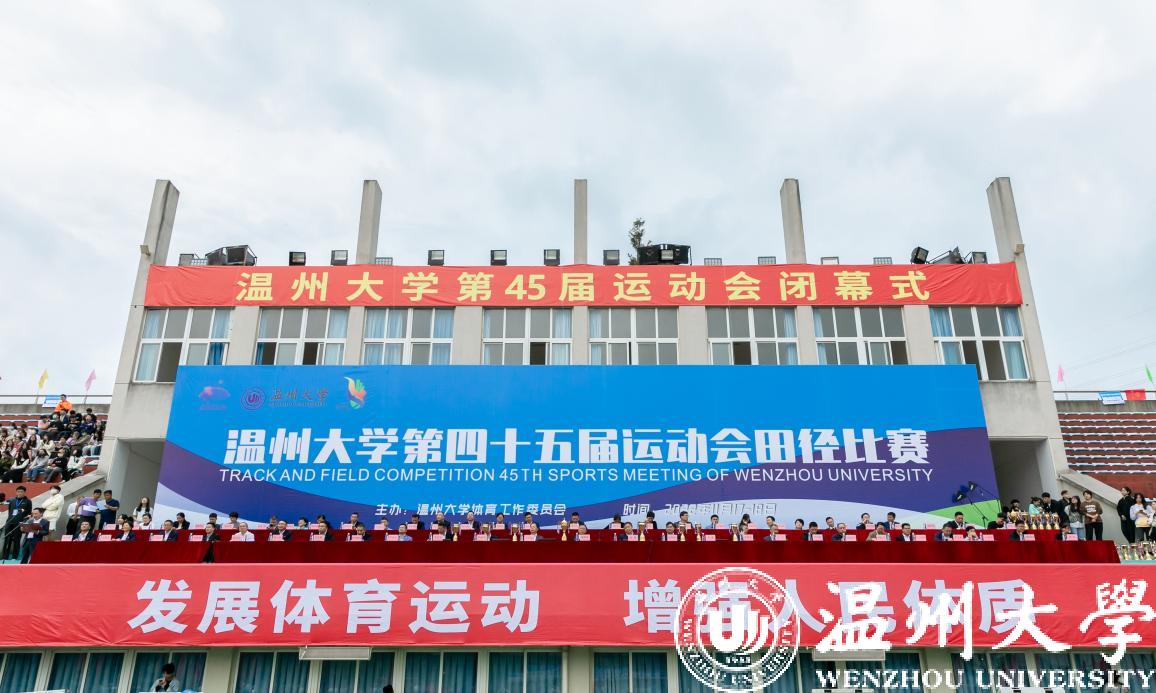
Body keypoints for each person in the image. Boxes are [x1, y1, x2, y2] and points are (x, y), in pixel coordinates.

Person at [2, 486, 33, 560]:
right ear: (16, 492)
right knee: (7, 539)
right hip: (10, 522)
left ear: (24, 492)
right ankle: (4, 556)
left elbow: (29, 513)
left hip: (19, 523)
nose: (19, 493)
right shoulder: (12, 500)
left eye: (21, 492)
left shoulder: (28, 501)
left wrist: (24, 521)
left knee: (17, 539)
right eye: (18, 491)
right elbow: (10, 511)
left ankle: (14, 557)